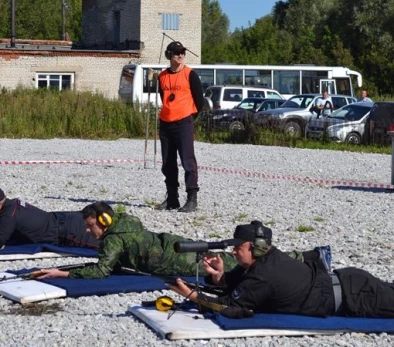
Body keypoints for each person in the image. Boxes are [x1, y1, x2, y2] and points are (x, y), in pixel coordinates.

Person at [170, 221, 394, 318]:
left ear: (257, 248)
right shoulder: (266, 260)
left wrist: (192, 296)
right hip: (350, 282)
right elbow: (238, 286)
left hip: (357, 297)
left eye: (239, 247)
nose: (235, 251)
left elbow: (230, 307)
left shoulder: (264, 275)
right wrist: (219, 277)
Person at [38, 202, 314, 280]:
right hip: (171, 244)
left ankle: (303, 259)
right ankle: (301, 258)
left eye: (90, 226)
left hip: (176, 260)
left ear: (103, 222)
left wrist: (62, 272)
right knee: (235, 259)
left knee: (238, 265)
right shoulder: (125, 222)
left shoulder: (113, 241)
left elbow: (100, 271)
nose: (88, 232)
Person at [0, 185, 99, 250]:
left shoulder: (8, 215)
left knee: (104, 242)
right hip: (62, 218)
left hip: (65, 232)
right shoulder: (13, 204)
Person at [155, 41, 204, 213]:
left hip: (184, 122)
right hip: (166, 123)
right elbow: (163, 97)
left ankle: (192, 198)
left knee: (188, 161)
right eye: (177, 53)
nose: (181, 56)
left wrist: (189, 117)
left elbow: (200, 101)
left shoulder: (190, 74)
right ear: (170, 55)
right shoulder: (162, 76)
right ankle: (172, 198)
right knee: (168, 162)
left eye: (182, 52)